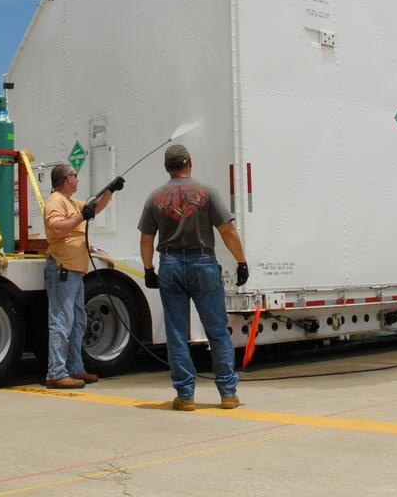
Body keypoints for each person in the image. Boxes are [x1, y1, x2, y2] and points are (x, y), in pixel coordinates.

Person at [138, 144, 249, 411]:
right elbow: (227, 230)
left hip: (170, 263)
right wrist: (241, 261)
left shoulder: (155, 197)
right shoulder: (206, 192)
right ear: (190, 163)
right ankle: (227, 394)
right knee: (217, 330)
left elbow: (146, 238)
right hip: (203, 263)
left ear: (167, 167)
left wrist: (148, 269)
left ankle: (186, 395)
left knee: (176, 332)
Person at [42, 163, 124, 389]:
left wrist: (109, 191)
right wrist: (81, 216)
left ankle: (75, 368)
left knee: (78, 321)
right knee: (61, 321)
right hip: (63, 270)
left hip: (75, 271)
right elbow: (58, 228)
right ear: (67, 179)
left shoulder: (69, 201)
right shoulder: (55, 201)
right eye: (75, 176)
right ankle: (56, 372)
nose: (77, 180)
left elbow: (93, 209)